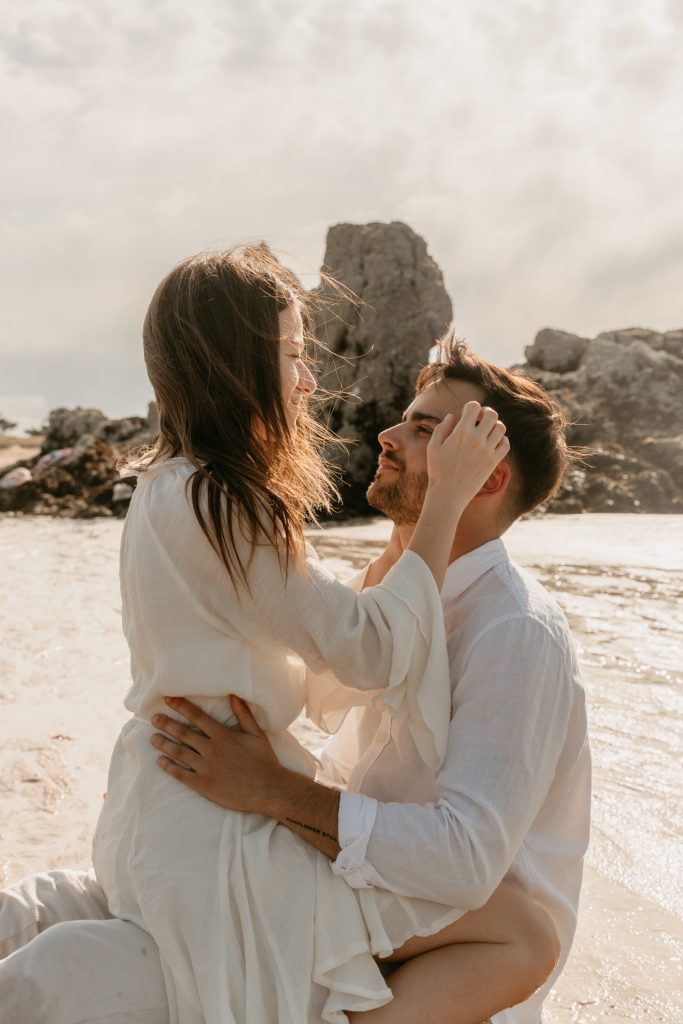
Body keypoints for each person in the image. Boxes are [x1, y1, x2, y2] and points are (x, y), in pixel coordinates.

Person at [0, 248, 558, 1024]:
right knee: (519, 933)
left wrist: (402, 549)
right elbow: (368, 655)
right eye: (293, 354)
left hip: (170, 808)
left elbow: (331, 673)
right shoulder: (225, 505)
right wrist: (439, 506)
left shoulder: (173, 488)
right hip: (214, 831)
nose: (307, 382)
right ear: (237, 366)